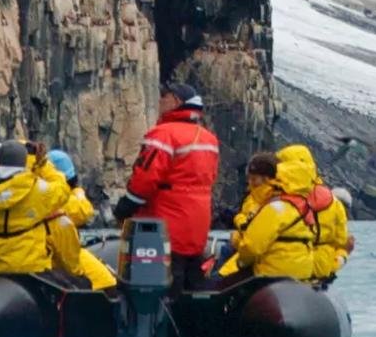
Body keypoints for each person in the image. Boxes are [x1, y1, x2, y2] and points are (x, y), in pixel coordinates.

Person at [0, 140, 90, 284]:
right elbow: (63, 190)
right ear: (23, 162)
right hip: (33, 271)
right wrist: (43, 164)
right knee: (84, 283)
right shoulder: (37, 191)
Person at [114, 81, 220, 272]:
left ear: (176, 101)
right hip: (198, 226)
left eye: (164, 96)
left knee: (162, 288)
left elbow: (145, 179)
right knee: (190, 285)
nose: (160, 100)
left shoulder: (163, 135)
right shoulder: (209, 139)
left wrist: (125, 207)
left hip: (166, 226)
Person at [217, 145, 352, 284]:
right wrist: (341, 257)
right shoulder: (332, 202)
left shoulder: (277, 203)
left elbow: (252, 244)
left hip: (273, 269)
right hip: (313, 268)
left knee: (222, 269)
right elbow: (341, 240)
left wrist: (237, 223)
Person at [45, 150, 117, 289]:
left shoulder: (43, 199)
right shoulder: (66, 202)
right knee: (104, 281)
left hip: (47, 261)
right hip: (59, 262)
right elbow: (84, 211)